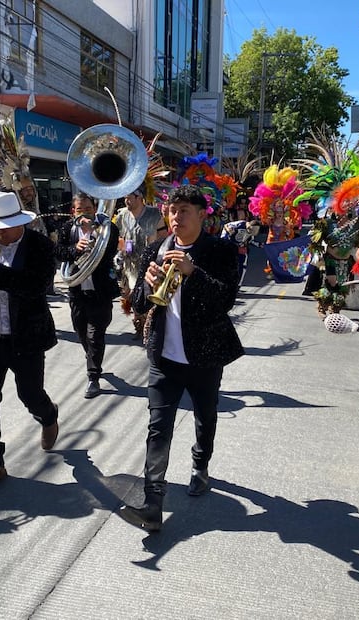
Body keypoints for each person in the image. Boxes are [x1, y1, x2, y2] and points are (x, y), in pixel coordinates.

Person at [118, 185, 244, 532]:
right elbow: (142, 306)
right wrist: (143, 285)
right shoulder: (155, 250)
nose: (177, 217)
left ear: (203, 214)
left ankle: (200, 466)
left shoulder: (220, 250)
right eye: (173, 211)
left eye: (185, 210)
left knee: (205, 415)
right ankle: (152, 504)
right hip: (164, 356)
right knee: (158, 428)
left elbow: (225, 301)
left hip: (204, 355)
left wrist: (193, 272)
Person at [0, 191, 59, 495]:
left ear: (19, 223)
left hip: (27, 336)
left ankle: (48, 416)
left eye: (3, 227)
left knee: (30, 394)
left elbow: (38, 287)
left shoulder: (40, 246)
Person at [56, 192, 120, 398]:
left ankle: (93, 377)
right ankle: (92, 357)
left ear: (95, 209)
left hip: (100, 292)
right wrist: (76, 248)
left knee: (95, 335)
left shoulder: (109, 228)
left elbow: (109, 253)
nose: (84, 214)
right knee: (81, 331)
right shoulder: (67, 228)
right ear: (73, 211)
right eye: (79, 210)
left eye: (88, 210)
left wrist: (91, 235)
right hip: (77, 291)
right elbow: (59, 253)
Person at [114, 184, 166, 338]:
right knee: (134, 297)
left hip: (150, 264)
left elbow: (164, 237)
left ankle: (150, 327)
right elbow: (118, 237)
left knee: (149, 297)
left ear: (139, 197)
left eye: (129, 198)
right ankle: (139, 326)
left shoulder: (154, 214)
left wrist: (160, 257)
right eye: (125, 198)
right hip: (130, 265)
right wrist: (121, 250)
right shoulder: (122, 215)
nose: (126, 201)